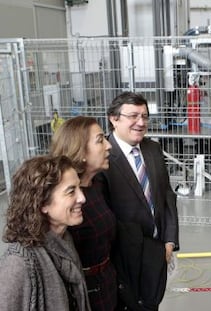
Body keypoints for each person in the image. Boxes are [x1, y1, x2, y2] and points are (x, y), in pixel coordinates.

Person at [95, 91, 179, 311]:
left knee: (151, 303)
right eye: (133, 116)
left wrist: (170, 241)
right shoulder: (103, 159)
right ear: (114, 118)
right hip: (123, 258)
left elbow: (167, 196)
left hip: (157, 252)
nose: (141, 123)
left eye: (145, 116)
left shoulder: (153, 149)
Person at [0, 155, 90, 310]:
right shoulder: (18, 263)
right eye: (71, 191)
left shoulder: (64, 240)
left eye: (79, 188)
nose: (82, 198)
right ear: (42, 203)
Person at [50, 116, 117, 311]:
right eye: (100, 140)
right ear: (81, 152)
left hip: (106, 284)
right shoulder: (64, 202)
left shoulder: (97, 185)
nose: (108, 146)